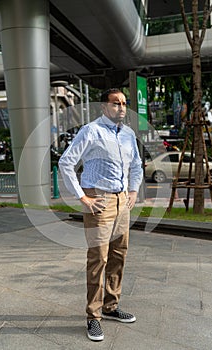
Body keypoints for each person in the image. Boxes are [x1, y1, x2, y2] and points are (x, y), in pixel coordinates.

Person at [58, 88, 143, 342]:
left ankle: (111, 306)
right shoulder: (91, 131)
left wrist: (134, 190)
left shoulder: (127, 134)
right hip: (99, 201)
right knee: (98, 259)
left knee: (119, 255)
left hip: (121, 202)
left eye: (124, 103)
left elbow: (137, 164)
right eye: (116, 103)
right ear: (104, 107)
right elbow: (66, 162)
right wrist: (82, 197)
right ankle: (93, 317)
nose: (121, 108)